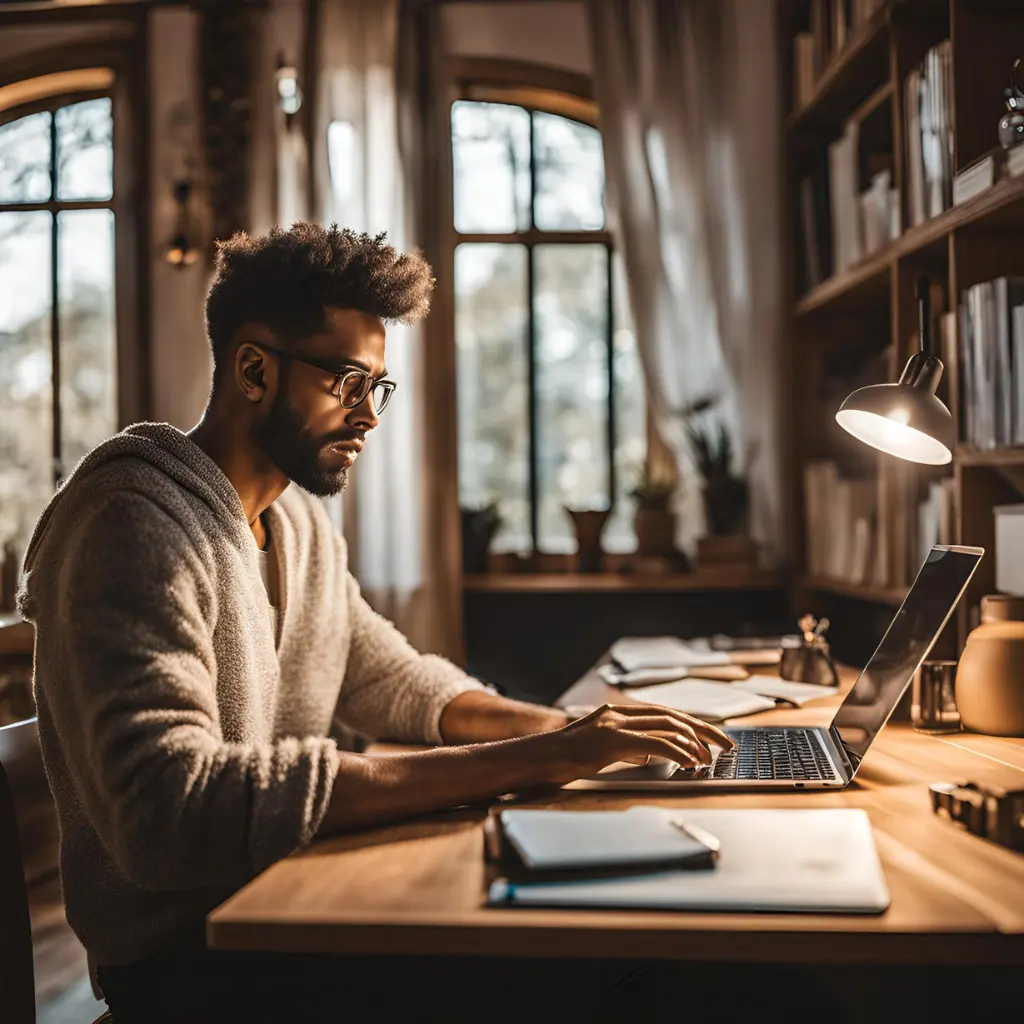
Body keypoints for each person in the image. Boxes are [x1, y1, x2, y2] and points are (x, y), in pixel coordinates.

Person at [16, 223, 733, 1022]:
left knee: (623, 934)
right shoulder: (130, 524)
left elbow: (388, 677)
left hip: (287, 904)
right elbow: (171, 810)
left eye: (376, 387)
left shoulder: (295, 524)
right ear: (254, 368)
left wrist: (583, 735)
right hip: (196, 967)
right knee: (618, 964)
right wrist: (537, 760)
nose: (369, 417)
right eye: (348, 382)